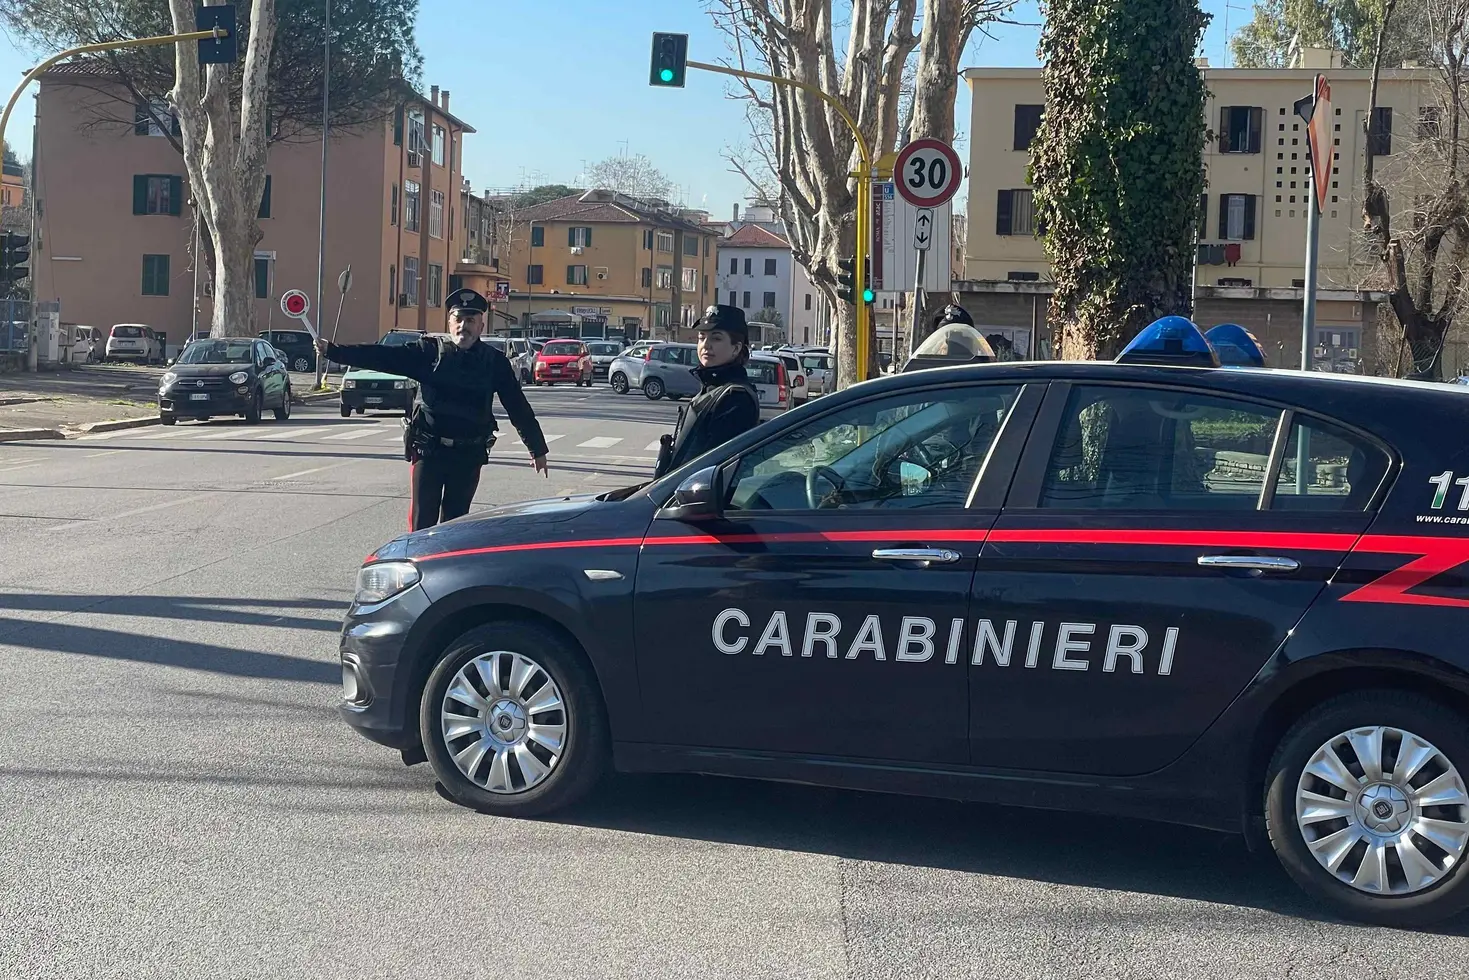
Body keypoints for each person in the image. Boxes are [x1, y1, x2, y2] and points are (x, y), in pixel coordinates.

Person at [315, 288, 550, 531]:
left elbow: (517, 406)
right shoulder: (428, 353)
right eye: (458, 320)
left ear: (481, 326)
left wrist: (537, 449)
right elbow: (382, 356)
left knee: (455, 524)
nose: (463, 327)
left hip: (468, 455)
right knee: (422, 524)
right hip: (429, 451)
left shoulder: (494, 362)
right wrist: (335, 351)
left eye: (470, 321)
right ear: (449, 323)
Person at [654, 304, 761, 478]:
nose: (706, 345)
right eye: (701, 337)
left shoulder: (735, 397)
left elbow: (715, 467)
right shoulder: (710, 388)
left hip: (700, 501)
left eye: (716, 338)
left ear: (736, 348)